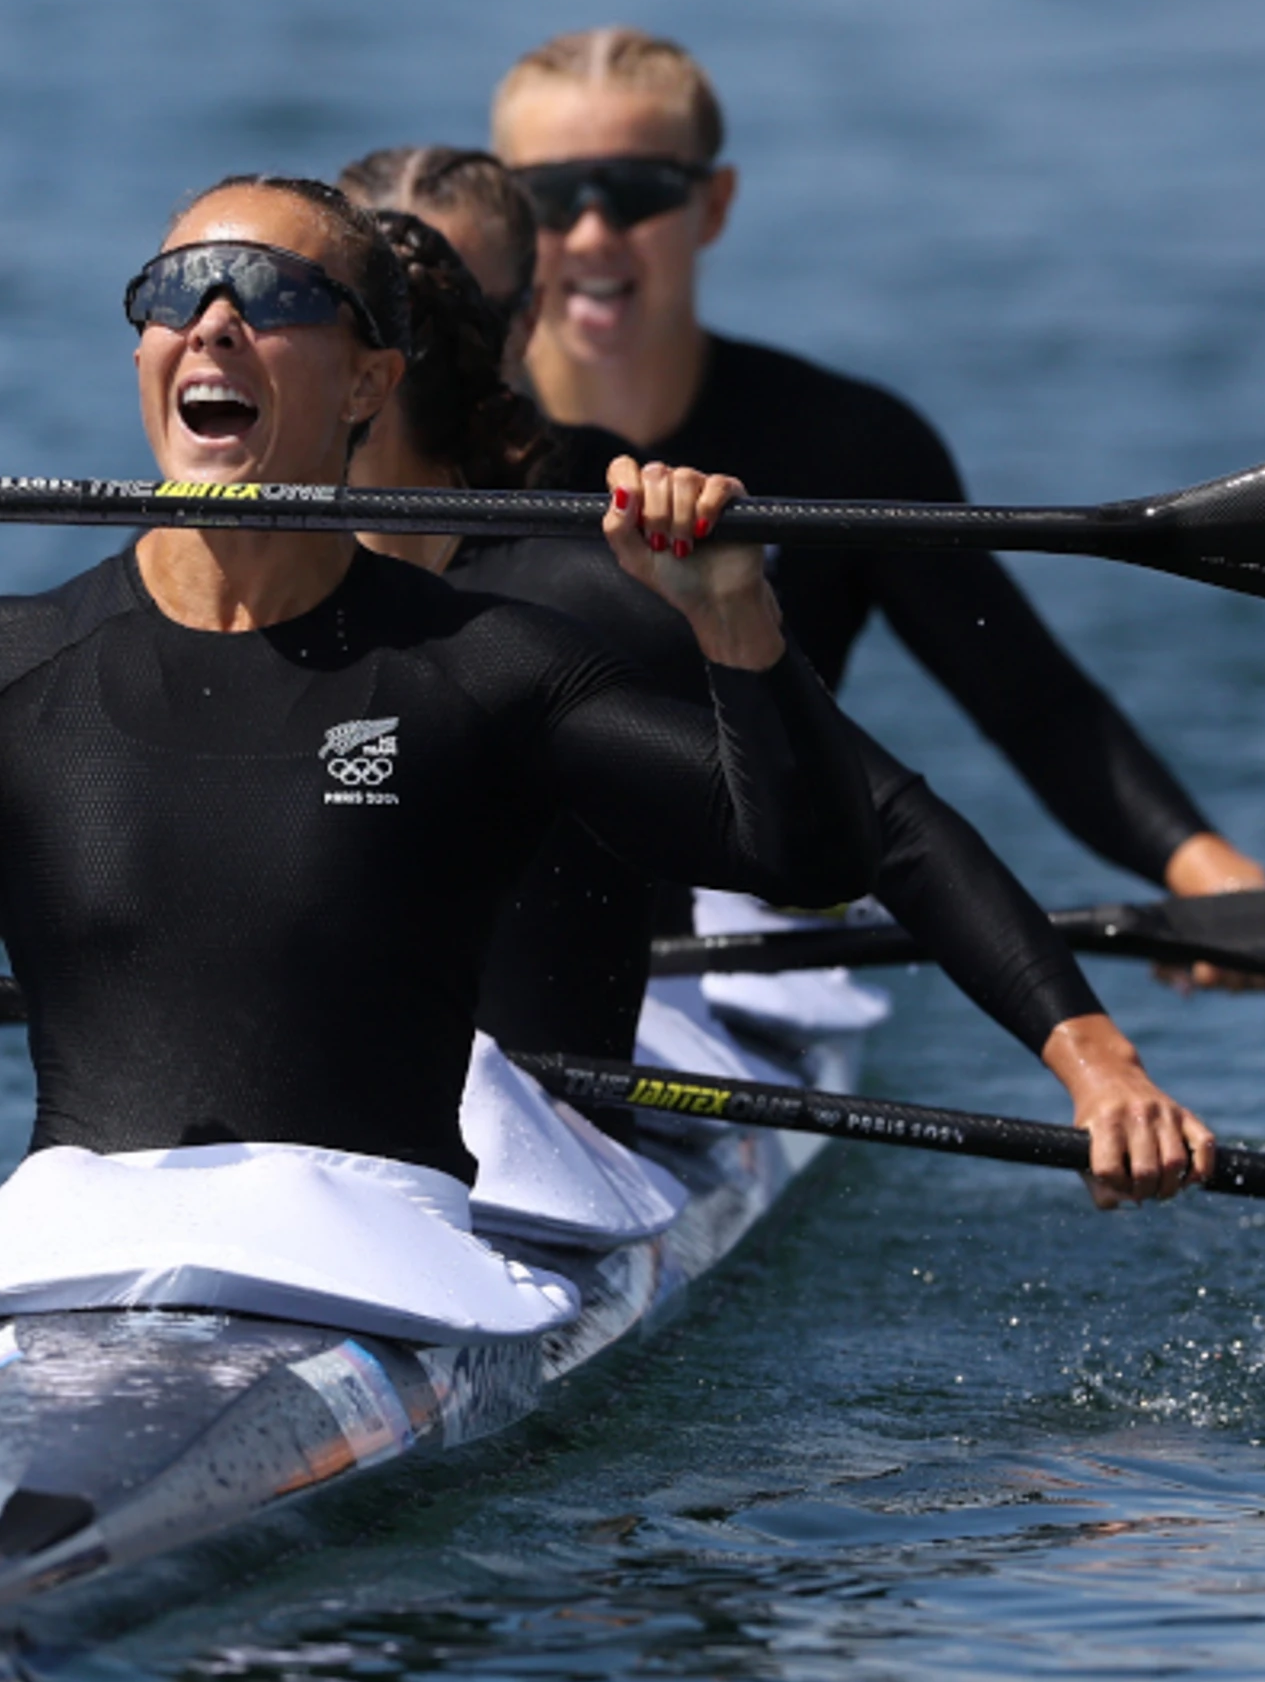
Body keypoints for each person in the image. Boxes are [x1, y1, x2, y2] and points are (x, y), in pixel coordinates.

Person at [0, 179, 880, 1293]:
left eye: (273, 295)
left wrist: (732, 618)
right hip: (68, 1252)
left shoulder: (483, 671)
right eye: (176, 292)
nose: (213, 321)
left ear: (373, 379)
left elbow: (810, 854)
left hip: (396, 1263)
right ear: (143, 355)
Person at [341, 171, 1215, 1201]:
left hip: (544, 1130)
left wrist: (1098, 1066)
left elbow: (888, 825)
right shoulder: (170, 603)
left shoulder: (585, 580)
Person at [491, 29, 1265, 925]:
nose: (593, 232)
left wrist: (1198, 865)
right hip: (509, 924)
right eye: (549, 199)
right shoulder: (439, 449)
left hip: (752, 923)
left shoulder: (845, 445)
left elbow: (1029, 701)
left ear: (714, 205)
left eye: (637, 193)